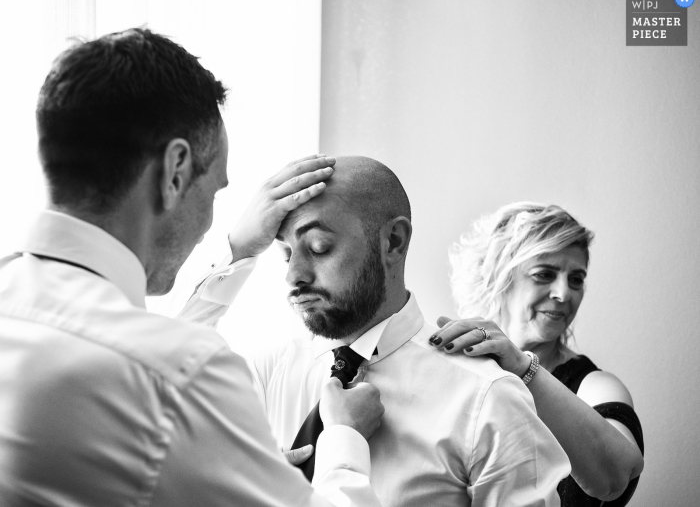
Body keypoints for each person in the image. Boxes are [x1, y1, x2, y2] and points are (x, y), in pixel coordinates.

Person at [0, 28, 387, 507]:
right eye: (215, 191)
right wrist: (344, 444)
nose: (209, 223)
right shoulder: (178, 375)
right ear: (175, 170)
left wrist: (240, 252)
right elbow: (156, 368)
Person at [180, 157, 571, 507]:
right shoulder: (270, 372)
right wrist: (239, 249)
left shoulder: (486, 399)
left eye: (318, 248)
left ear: (393, 242)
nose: (293, 277)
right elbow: (160, 385)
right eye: (286, 254)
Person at [430, 202, 644, 506]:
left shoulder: (595, 386)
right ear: (499, 278)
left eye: (576, 279)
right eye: (545, 274)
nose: (563, 293)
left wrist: (523, 368)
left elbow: (615, 480)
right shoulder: (456, 369)